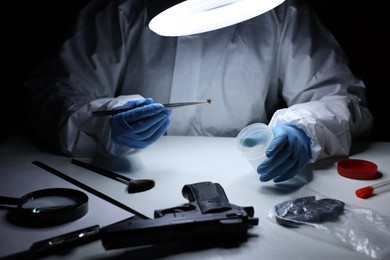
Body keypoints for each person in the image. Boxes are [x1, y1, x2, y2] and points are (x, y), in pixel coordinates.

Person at [24, 0, 373, 183]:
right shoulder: (123, 9)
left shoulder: (281, 13)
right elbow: (53, 94)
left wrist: (305, 128)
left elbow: (341, 98)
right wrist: (107, 121)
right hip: (130, 178)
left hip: (245, 183)